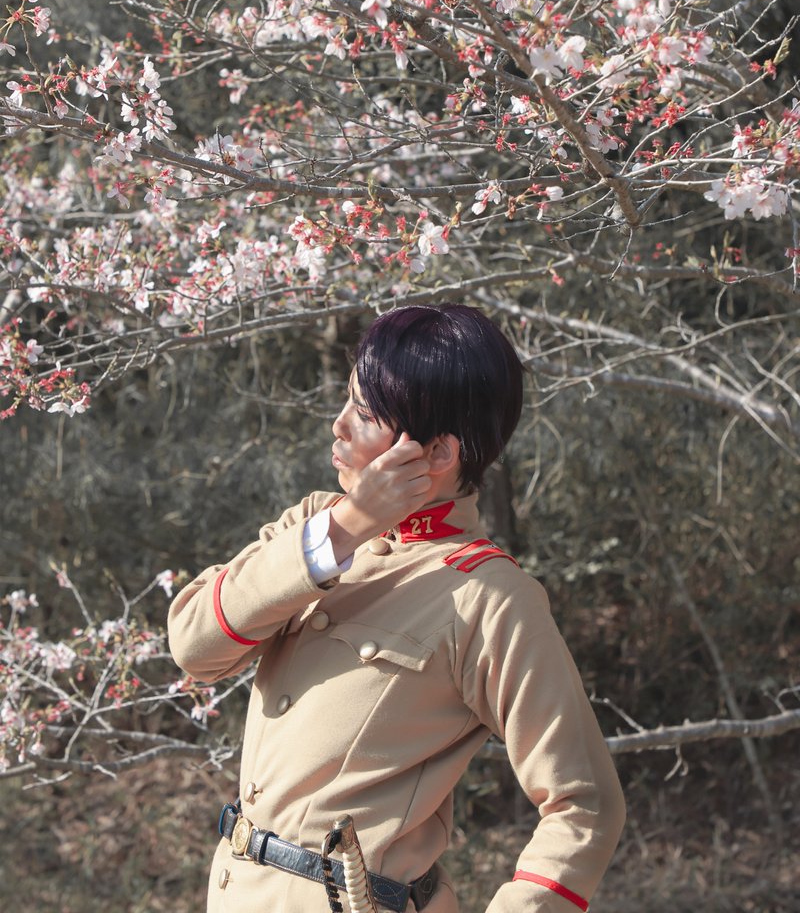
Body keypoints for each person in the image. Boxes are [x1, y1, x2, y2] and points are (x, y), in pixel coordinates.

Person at [168, 304, 625, 913]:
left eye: (364, 413)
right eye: (348, 400)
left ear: (436, 454)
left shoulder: (490, 596)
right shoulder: (317, 528)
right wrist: (346, 529)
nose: (337, 425)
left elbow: (586, 803)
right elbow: (194, 647)